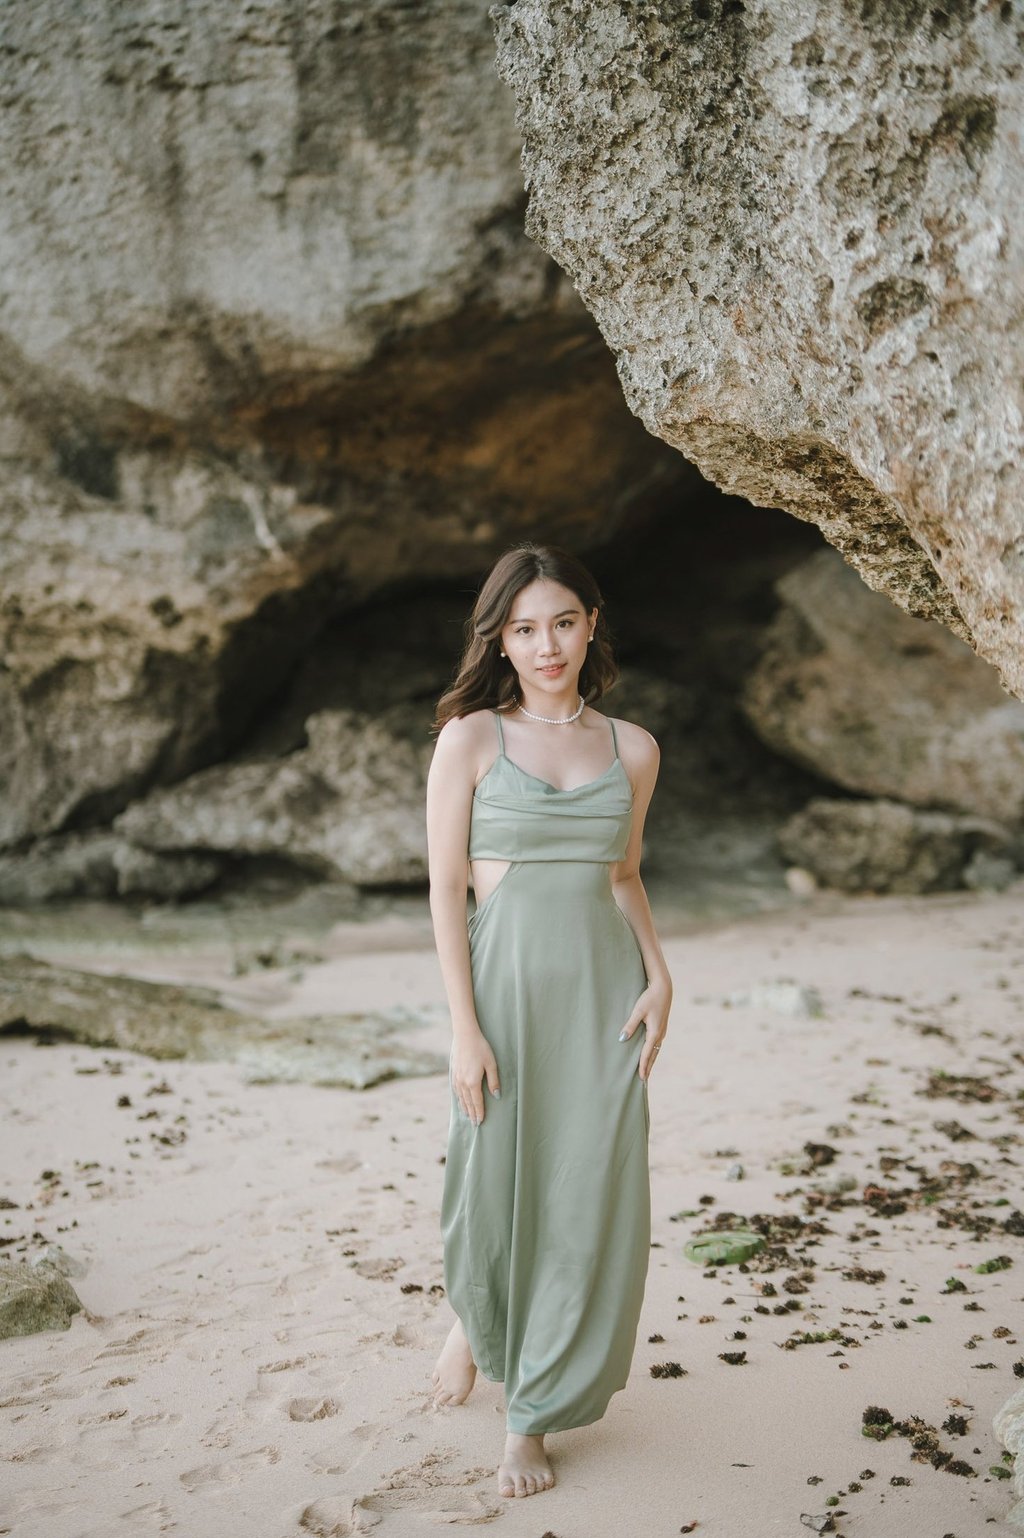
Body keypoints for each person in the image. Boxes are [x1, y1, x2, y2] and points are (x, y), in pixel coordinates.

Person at [424, 541, 672, 1500]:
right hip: (505, 992)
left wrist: (661, 976)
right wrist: (463, 1026)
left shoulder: (635, 748)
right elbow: (448, 889)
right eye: (524, 629)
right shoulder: (472, 738)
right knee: (491, 1177)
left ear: (592, 624)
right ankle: (476, 1322)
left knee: (585, 1194)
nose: (546, 645)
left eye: (562, 622)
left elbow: (624, 874)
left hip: (607, 996)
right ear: (501, 638)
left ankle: (530, 1417)